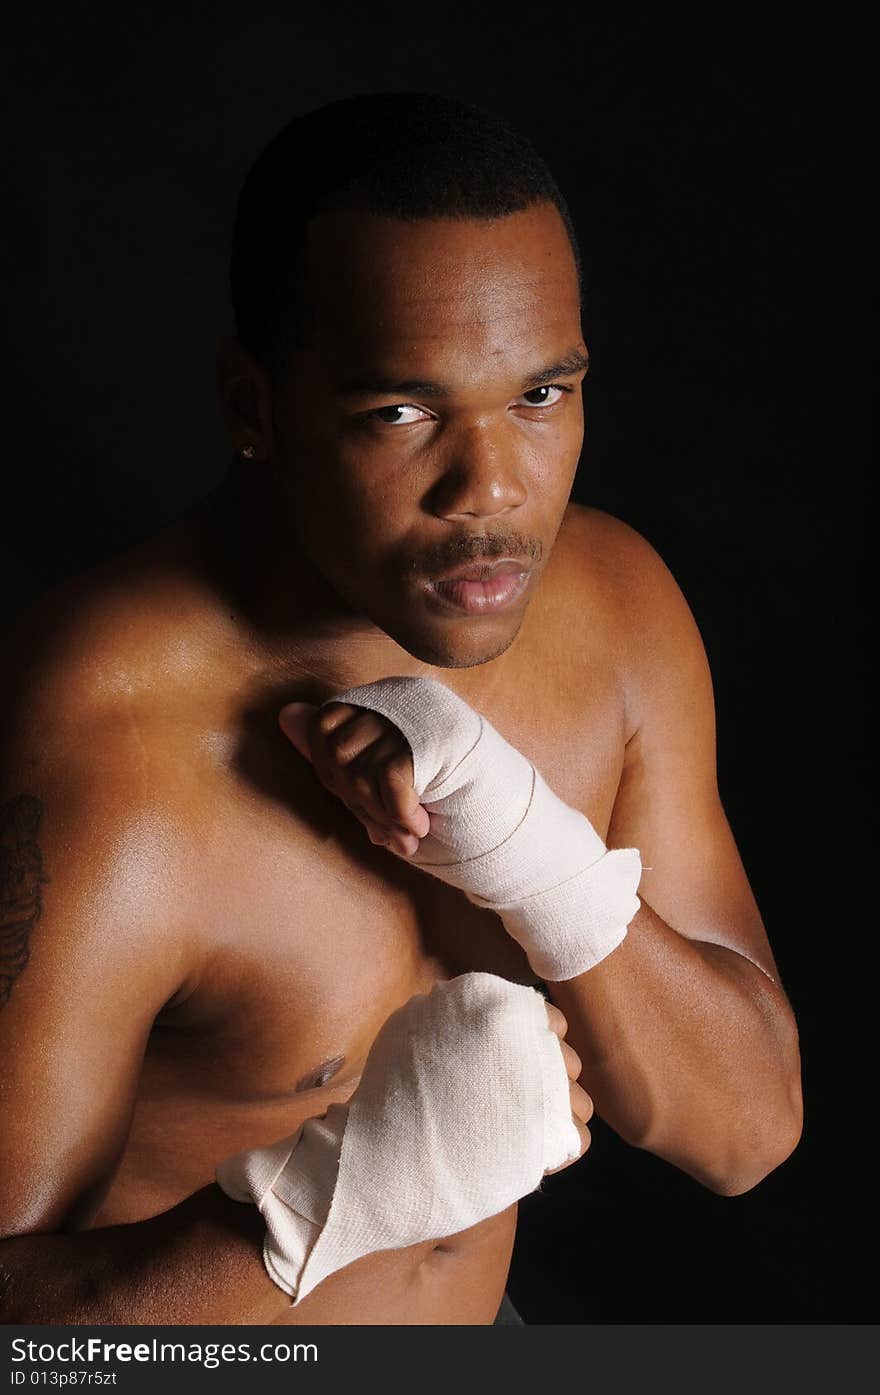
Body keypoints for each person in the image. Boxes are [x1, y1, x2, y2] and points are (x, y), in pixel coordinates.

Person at [0, 91, 802, 1326]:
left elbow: (745, 1132)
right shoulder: (106, 745)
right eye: (402, 413)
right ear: (252, 407)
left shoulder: (614, 611)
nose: (490, 490)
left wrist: (536, 861)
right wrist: (326, 1202)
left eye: (540, 397)